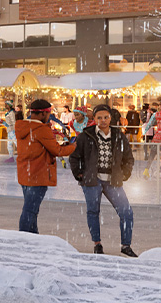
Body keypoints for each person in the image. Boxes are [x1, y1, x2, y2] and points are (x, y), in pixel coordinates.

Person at [70, 104, 137, 256]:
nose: (103, 120)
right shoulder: (86, 136)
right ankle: (97, 244)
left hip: (113, 180)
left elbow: (128, 157)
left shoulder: (118, 135)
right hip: (92, 180)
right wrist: (79, 174)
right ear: (94, 119)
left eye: (106, 117)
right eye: (99, 118)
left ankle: (126, 245)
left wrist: (125, 173)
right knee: (93, 211)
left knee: (126, 212)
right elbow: (74, 156)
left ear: (110, 118)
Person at [12, 98, 77, 234]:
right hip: (38, 174)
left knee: (31, 209)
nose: (49, 116)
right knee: (30, 210)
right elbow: (57, 151)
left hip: (25, 173)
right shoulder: (42, 129)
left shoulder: (23, 127)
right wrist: (73, 146)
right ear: (43, 113)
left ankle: (33, 236)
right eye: (49, 113)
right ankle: (24, 237)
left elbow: (41, 147)